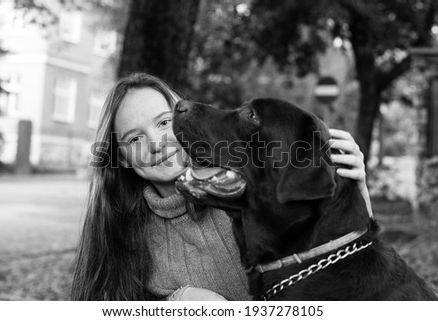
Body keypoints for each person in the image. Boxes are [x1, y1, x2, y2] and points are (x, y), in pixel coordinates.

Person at [71, 72, 372, 301]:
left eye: (163, 123)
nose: (156, 143)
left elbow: (347, 262)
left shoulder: (249, 189)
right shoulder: (125, 237)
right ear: (122, 158)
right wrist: (175, 304)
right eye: (135, 139)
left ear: (181, 120)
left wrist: (354, 187)